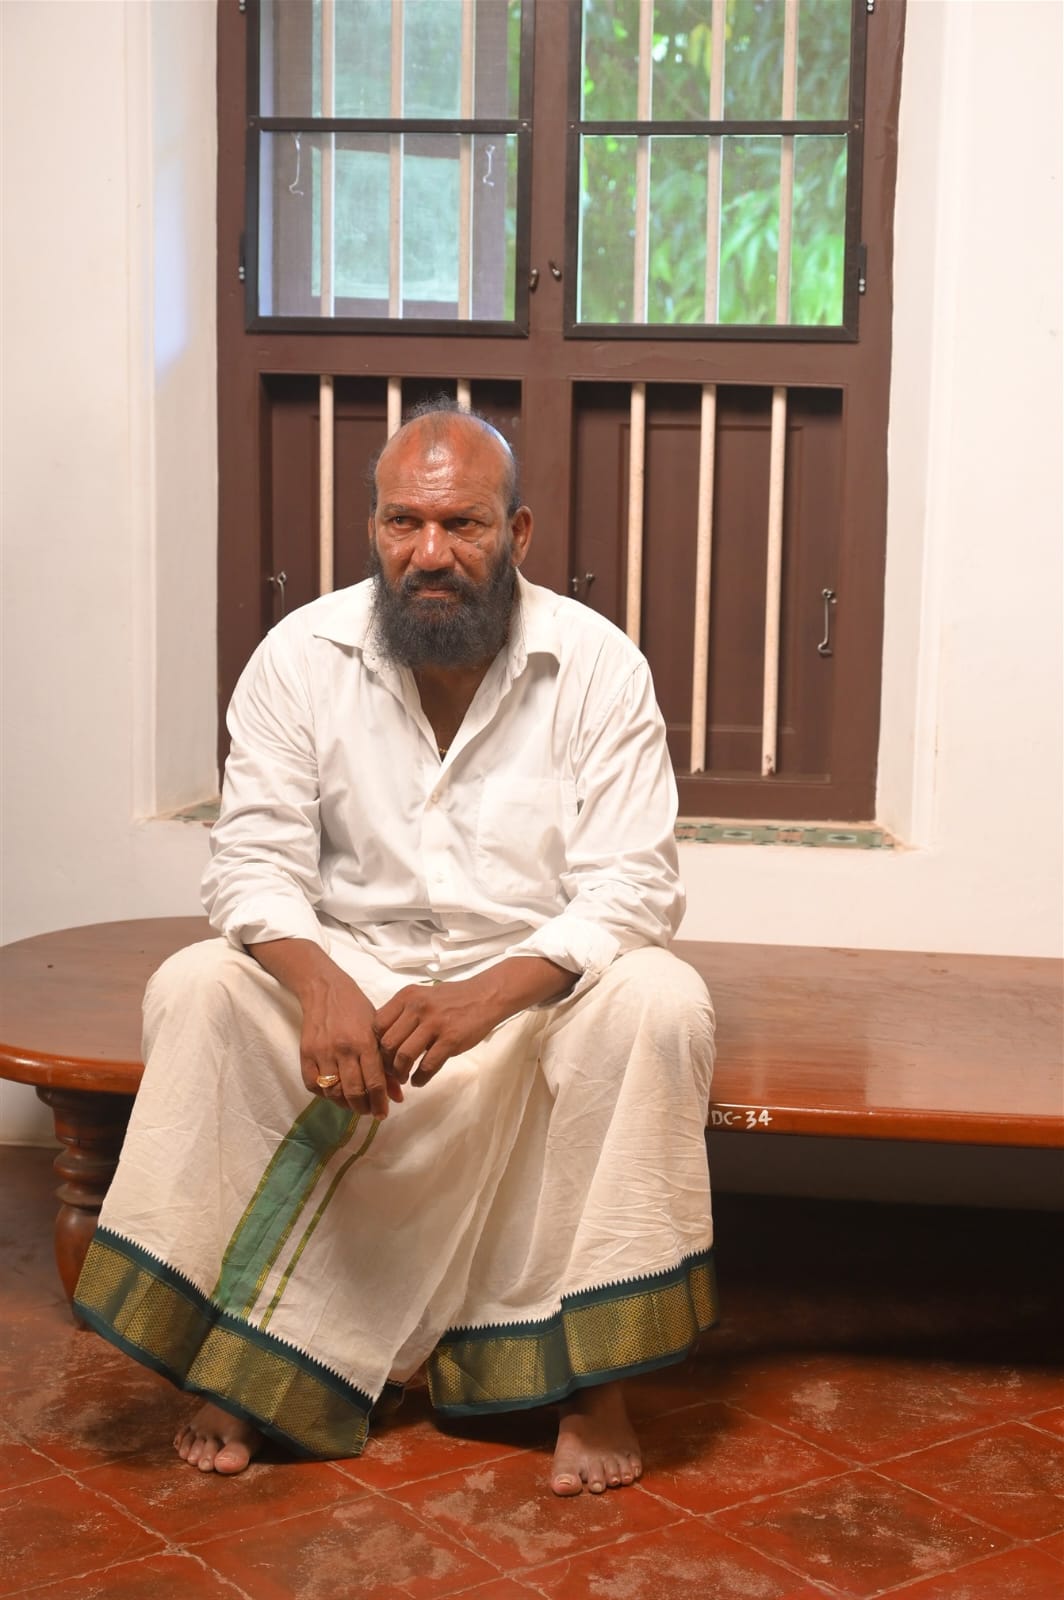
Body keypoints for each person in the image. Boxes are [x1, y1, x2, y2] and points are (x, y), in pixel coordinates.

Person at [74, 400, 717, 1497]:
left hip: (528, 993)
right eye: (403, 523)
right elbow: (251, 864)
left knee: (662, 1000)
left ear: (515, 534)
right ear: (372, 529)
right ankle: (246, 1356)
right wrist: (319, 981)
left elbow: (634, 886)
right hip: (354, 987)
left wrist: (485, 996)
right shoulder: (300, 655)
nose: (429, 553)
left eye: (462, 524)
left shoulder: (598, 665)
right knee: (197, 984)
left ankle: (590, 1381)